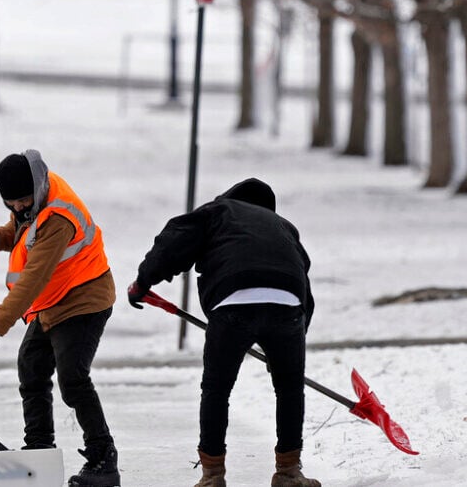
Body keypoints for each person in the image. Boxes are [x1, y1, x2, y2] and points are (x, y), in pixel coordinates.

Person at [127, 178, 321, 487]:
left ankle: (212, 475)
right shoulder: (283, 226)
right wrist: (293, 339)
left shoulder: (217, 211)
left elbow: (173, 242)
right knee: (289, 389)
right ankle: (288, 472)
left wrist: (143, 283)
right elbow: (302, 280)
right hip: (288, 304)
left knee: (217, 390)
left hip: (233, 300)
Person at [0, 149, 120, 487]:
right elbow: (22, 232)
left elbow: (32, 281)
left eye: (21, 201)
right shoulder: (35, 197)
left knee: (73, 378)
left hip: (84, 298)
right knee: (31, 367)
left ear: (33, 190)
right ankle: (39, 450)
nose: (17, 208)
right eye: (11, 203)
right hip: (52, 301)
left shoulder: (58, 217)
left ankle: (103, 461)